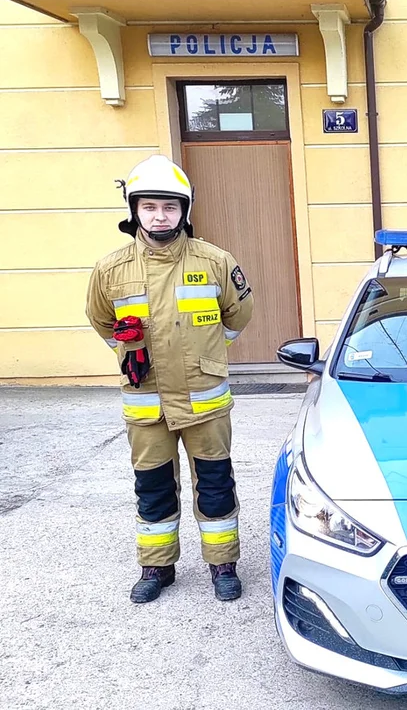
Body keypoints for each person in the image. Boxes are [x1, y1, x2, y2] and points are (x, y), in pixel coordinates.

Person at [85, 155, 254, 603]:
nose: (161, 216)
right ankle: (157, 567)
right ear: (134, 210)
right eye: (150, 207)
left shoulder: (216, 261)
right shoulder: (110, 270)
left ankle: (223, 564)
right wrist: (128, 351)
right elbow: (103, 322)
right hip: (146, 402)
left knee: (216, 483)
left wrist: (206, 353)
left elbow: (239, 315)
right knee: (153, 486)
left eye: (170, 207)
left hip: (204, 400)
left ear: (185, 210)